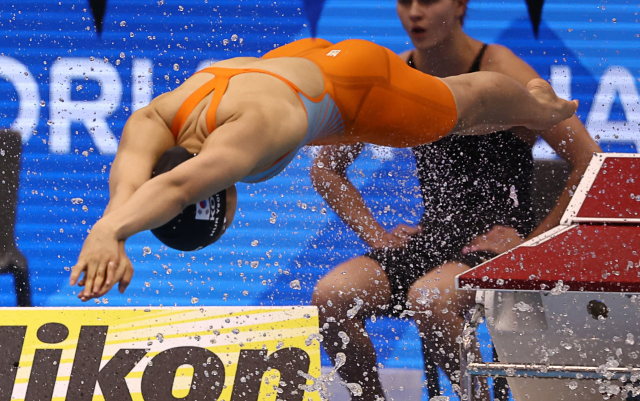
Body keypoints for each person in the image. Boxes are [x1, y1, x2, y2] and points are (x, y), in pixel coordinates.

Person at [69, 37, 577, 302]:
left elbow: (179, 188)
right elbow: (136, 181)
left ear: (219, 188)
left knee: (458, 107)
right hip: (295, 64)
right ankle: (532, 108)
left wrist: (112, 229)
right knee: (450, 108)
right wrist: (109, 233)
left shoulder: (246, 141)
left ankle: (538, 107)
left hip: (357, 87)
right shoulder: (156, 118)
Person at [309, 2, 600, 400]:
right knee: (332, 296)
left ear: (461, 4)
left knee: (428, 299)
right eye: (405, 1)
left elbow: (590, 161)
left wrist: (532, 248)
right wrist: (376, 235)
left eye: (428, 0)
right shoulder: (397, 74)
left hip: (496, 247)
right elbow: (325, 168)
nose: (415, 13)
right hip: (435, 239)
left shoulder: (500, 68)